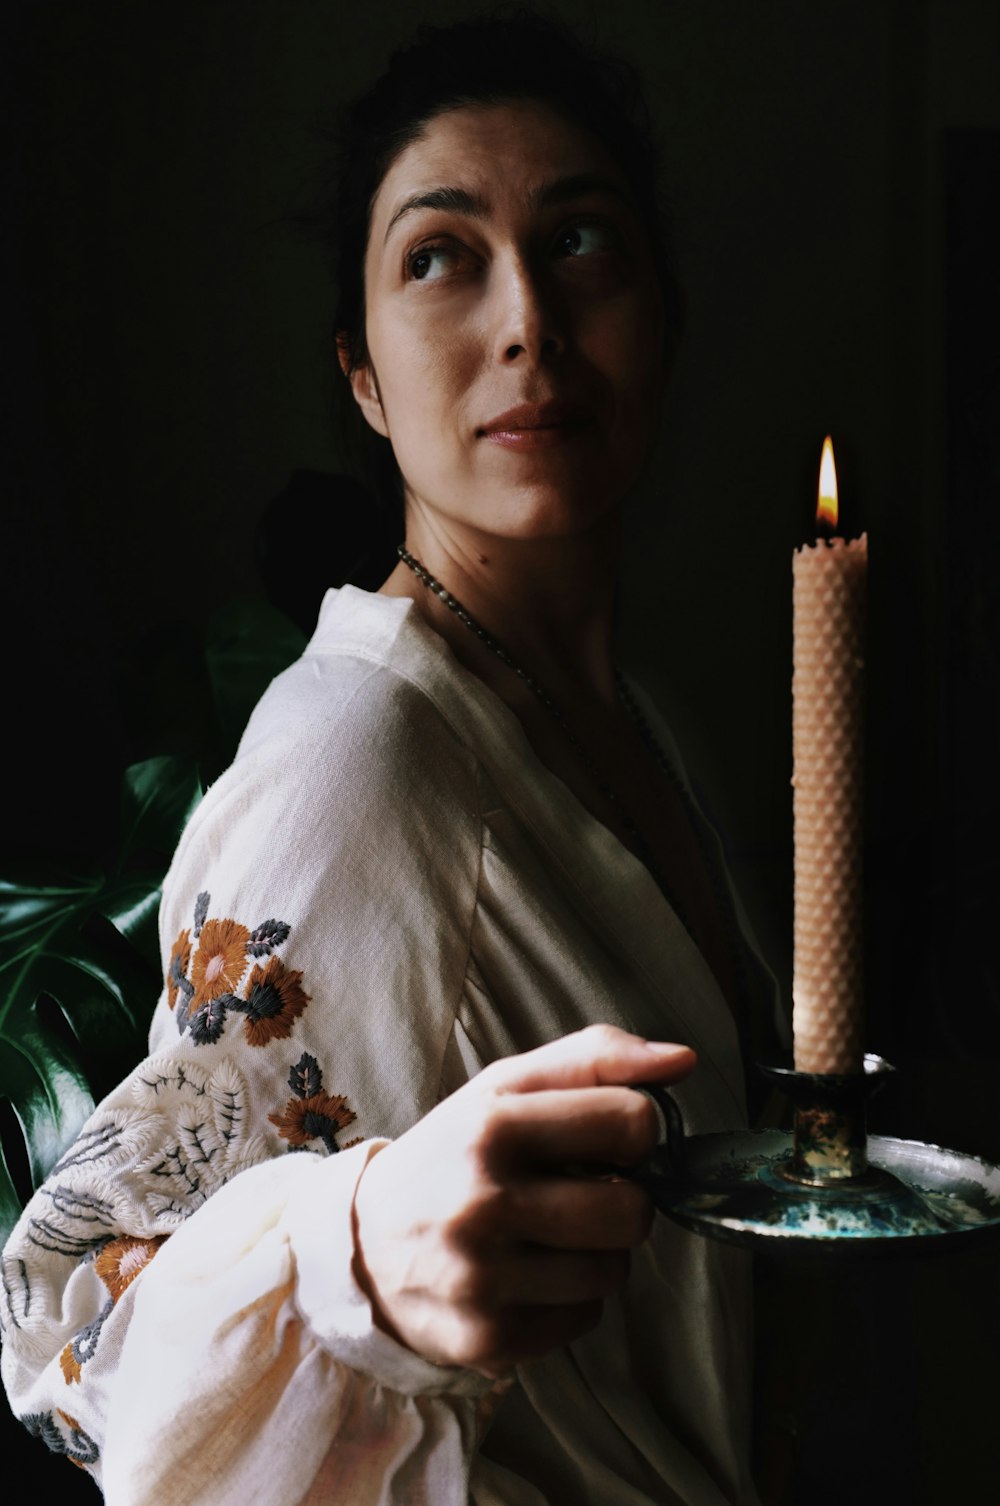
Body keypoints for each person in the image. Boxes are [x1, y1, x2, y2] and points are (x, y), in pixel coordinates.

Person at [0, 11, 787, 1504]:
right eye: (441, 254)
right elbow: (70, 1325)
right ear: (361, 375)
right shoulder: (358, 755)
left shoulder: (645, 729)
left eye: (583, 244)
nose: (528, 327)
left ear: (664, 324)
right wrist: (351, 1242)